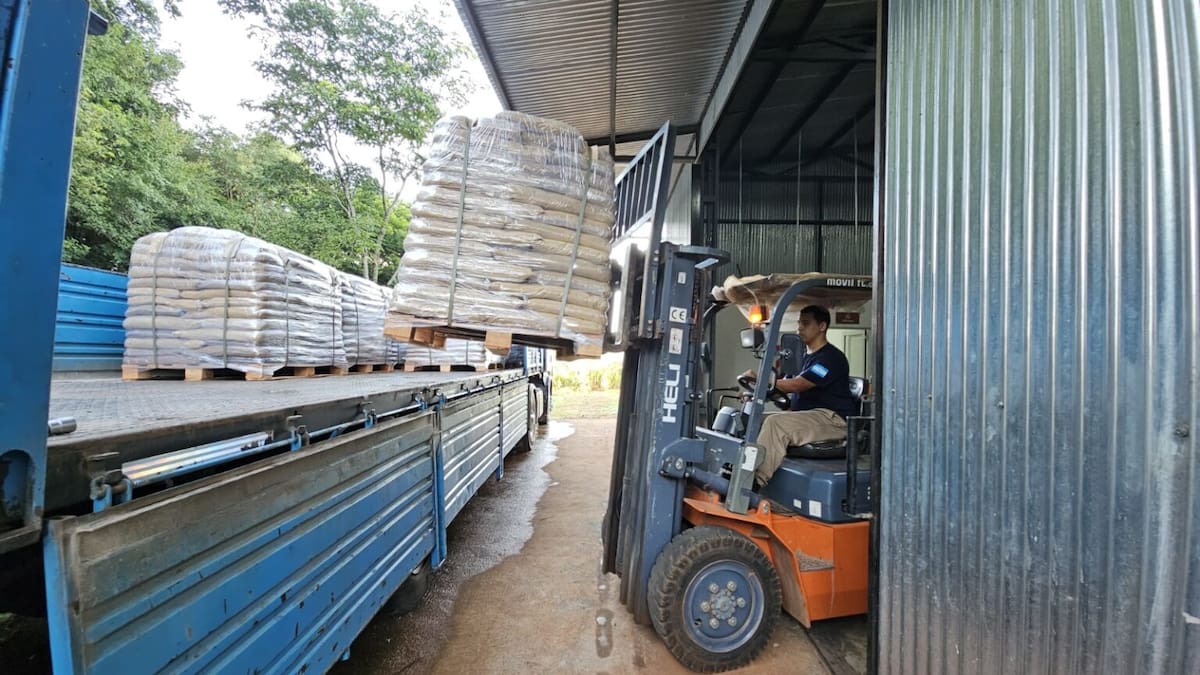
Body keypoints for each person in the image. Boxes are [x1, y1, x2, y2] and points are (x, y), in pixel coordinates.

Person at [742, 305, 856, 485]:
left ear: (822, 326)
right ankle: (742, 469)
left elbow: (798, 384)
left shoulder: (830, 358)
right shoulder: (803, 357)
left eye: (805, 323)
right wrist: (755, 391)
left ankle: (753, 483)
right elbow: (784, 383)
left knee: (775, 423)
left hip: (832, 419)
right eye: (799, 323)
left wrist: (760, 380)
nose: (799, 328)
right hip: (809, 416)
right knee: (753, 418)